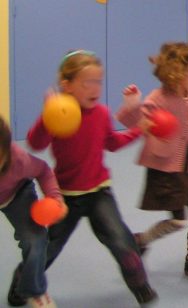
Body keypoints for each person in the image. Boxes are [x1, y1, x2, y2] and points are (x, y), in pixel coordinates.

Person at [24, 50, 156, 304]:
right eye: (88, 82)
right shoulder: (59, 114)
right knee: (47, 248)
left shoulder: (102, 113)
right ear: (67, 85)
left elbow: (112, 143)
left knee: (122, 241)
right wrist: (47, 116)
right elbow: (35, 143)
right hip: (65, 197)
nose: (95, 88)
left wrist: (138, 130)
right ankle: (22, 286)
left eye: (99, 81)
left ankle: (141, 287)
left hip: (98, 193)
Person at [117, 42, 188, 281]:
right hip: (167, 168)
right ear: (175, 72)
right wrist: (132, 107)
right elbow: (136, 122)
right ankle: (141, 240)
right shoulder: (158, 98)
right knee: (179, 221)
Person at [2, 117, 65, 308]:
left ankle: (34, 290)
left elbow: (44, 171)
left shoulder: (18, 159)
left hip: (16, 194)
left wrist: (55, 198)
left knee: (36, 239)